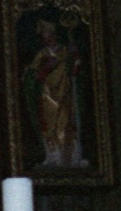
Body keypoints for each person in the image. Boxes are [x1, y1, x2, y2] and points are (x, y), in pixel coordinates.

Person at [23, 18, 88, 168]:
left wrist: (75, 58)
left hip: (64, 94)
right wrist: (45, 68)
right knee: (49, 126)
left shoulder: (66, 51)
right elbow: (32, 75)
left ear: (55, 36)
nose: (49, 40)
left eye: (51, 36)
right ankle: (53, 156)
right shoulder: (42, 54)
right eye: (45, 38)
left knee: (66, 125)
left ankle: (71, 157)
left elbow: (75, 70)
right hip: (47, 96)